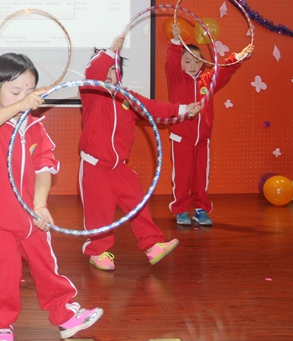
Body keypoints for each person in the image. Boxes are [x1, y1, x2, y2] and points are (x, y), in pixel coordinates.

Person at [0, 53, 103, 341]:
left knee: (47, 268)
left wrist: (40, 205)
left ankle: (65, 316)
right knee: (4, 275)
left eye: (29, 91)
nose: (24, 97)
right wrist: (19, 106)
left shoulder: (36, 127)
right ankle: (2, 325)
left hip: (32, 218)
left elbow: (44, 169)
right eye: (15, 91)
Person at [79, 36, 201, 271]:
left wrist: (184, 109)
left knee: (138, 204)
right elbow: (93, 71)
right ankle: (98, 252)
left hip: (120, 167)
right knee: (99, 213)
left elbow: (154, 108)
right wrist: (110, 51)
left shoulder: (127, 98)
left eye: (114, 69)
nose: (109, 73)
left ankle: (152, 245)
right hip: (96, 166)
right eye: (107, 68)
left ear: (120, 75)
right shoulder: (92, 93)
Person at [166, 24, 253, 226]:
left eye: (197, 61)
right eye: (187, 61)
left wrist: (239, 57)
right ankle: (181, 210)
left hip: (202, 140)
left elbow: (224, 71)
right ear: (181, 63)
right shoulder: (176, 79)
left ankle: (200, 209)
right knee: (182, 178)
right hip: (181, 139)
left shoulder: (206, 81)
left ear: (203, 63)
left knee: (201, 179)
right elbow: (171, 62)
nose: (192, 65)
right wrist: (175, 42)